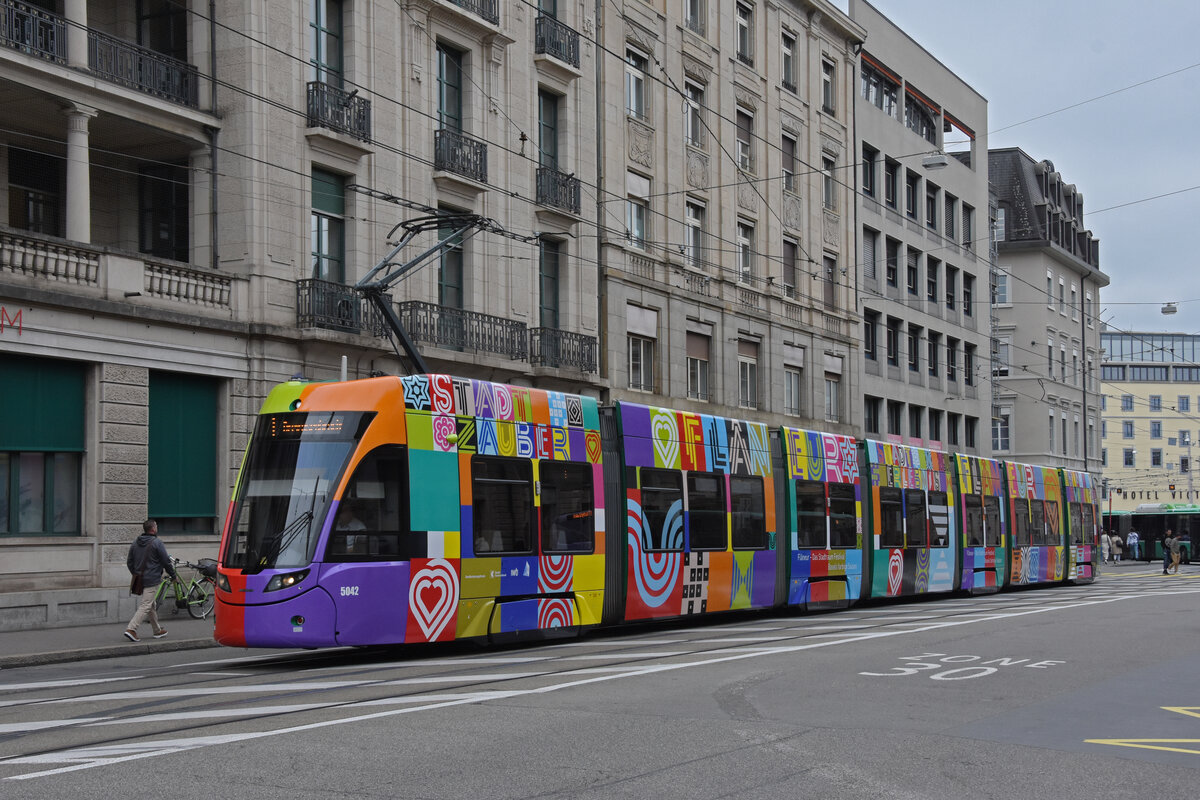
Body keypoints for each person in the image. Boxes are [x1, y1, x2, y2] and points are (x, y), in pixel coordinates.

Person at [124, 519, 178, 642]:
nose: (157, 528)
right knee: (146, 605)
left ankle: (157, 630)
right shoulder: (157, 543)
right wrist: (173, 575)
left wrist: (136, 573)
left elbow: (129, 562)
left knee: (151, 604)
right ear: (153, 529)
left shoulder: (135, 542)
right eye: (156, 526)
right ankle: (131, 629)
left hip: (139, 578)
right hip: (152, 578)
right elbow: (166, 561)